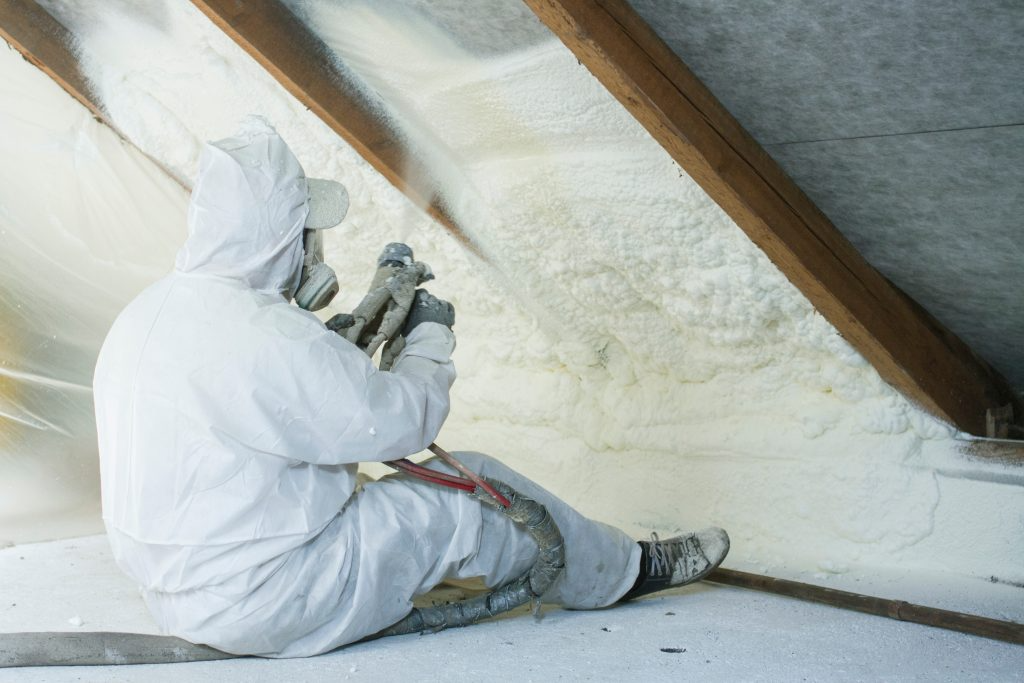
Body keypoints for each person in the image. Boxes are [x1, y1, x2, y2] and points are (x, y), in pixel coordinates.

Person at [93, 117, 729, 658]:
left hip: (176, 593)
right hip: (270, 598)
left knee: (370, 497)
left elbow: (255, 408)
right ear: (282, 235)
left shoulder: (148, 314)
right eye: (305, 231)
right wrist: (429, 340)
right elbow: (403, 424)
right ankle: (626, 573)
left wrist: (333, 349)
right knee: (474, 490)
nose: (311, 247)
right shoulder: (271, 338)